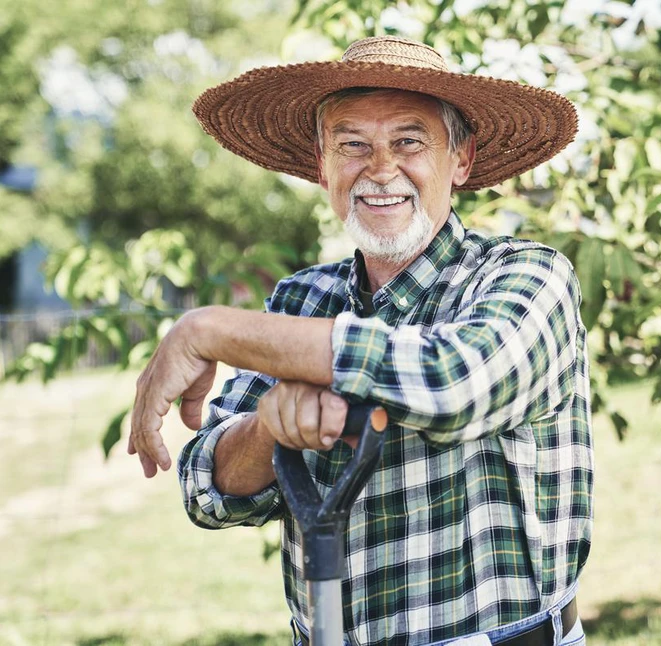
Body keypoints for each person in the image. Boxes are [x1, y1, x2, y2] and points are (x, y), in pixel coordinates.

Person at [129, 36, 593, 646]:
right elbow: (207, 490)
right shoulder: (300, 302)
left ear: (461, 160)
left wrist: (206, 330)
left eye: (409, 141)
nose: (379, 169)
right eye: (352, 144)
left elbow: (453, 383)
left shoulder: (527, 277)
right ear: (322, 165)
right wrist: (272, 427)